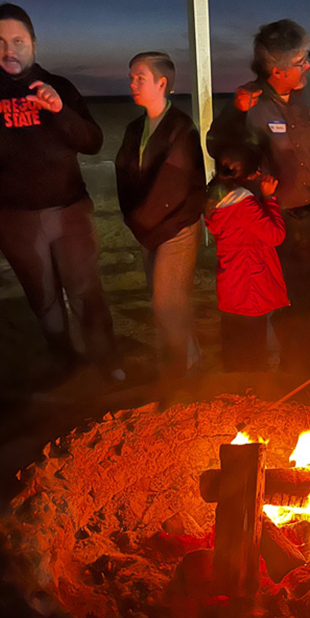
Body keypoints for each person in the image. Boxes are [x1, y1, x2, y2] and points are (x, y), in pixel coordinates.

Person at [0, 3, 120, 379]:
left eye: (17, 40)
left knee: (85, 288)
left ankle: (107, 361)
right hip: (15, 219)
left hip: (70, 211)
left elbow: (93, 143)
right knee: (44, 298)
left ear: (33, 42)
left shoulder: (60, 86)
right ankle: (66, 362)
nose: (9, 49)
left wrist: (60, 109)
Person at [210, 19, 310, 370]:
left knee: (304, 297)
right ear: (277, 70)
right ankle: (252, 372)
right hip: (270, 220)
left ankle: (295, 369)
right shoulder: (249, 102)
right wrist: (236, 114)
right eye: (299, 62)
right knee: (264, 299)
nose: (307, 67)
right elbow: (217, 146)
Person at [115, 52, 206, 376]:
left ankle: (183, 371)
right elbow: (123, 173)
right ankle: (188, 359)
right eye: (131, 76)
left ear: (162, 83)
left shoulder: (180, 128)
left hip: (176, 227)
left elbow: (174, 187)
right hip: (146, 228)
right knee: (167, 300)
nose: (132, 83)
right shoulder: (134, 128)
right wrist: (132, 217)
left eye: (140, 77)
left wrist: (141, 219)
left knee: (166, 302)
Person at [205, 146, 288, 372]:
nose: (260, 172)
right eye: (256, 170)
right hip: (251, 286)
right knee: (253, 350)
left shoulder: (215, 199)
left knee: (232, 343)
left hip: (230, 284)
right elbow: (275, 235)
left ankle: (232, 388)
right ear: (246, 175)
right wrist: (269, 198)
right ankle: (252, 393)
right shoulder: (243, 205)